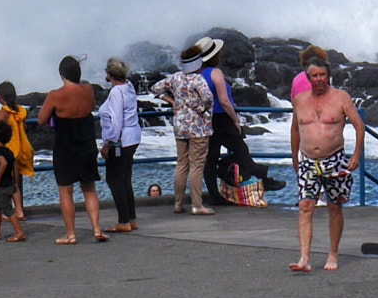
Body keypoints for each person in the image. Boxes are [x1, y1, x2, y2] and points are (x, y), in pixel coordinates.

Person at [288, 46, 365, 273]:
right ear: (308, 77)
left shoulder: (341, 98)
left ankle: (333, 253)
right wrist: (295, 159)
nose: (319, 79)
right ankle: (304, 258)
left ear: (328, 76)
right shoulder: (300, 100)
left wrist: (357, 154)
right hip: (308, 161)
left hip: (335, 159)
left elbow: (359, 126)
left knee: (334, 207)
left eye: (322, 75)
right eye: (315, 76)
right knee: (305, 206)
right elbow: (295, 130)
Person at [191, 37, 286, 205]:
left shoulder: (197, 75)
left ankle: (215, 195)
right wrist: (235, 120)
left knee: (210, 158)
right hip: (222, 119)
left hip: (205, 120)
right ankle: (263, 179)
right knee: (241, 150)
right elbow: (224, 101)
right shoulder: (215, 73)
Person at [38, 56, 107, 245]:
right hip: (86, 143)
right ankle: (97, 229)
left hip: (65, 146)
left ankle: (71, 234)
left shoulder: (55, 95)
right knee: (89, 188)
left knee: (66, 191)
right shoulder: (88, 90)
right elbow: (91, 107)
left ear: (61, 74)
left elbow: (42, 119)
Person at [153, 49, 216, 216]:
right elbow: (208, 98)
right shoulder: (198, 79)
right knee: (197, 166)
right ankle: (197, 205)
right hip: (198, 127)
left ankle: (178, 203)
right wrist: (202, 109)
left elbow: (156, 89)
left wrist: (172, 102)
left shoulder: (176, 77)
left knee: (181, 164)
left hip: (180, 125)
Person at [98, 57, 142, 233]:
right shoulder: (129, 86)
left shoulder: (116, 93)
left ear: (109, 75)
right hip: (132, 138)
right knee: (125, 178)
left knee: (114, 178)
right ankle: (131, 218)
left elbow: (116, 122)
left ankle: (123, 221)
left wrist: (108, 143)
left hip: (119, 142)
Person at [0, 82, 35, 223]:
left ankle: (6, 212)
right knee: (15, 184)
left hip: (8, 151)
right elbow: (25, 128)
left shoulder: (4, 111)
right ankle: (19, 210)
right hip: (21, 150)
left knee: (5, 184)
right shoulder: (21, 111)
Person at [0, 121, 26, 242]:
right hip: (9, 184)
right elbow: (15, 166)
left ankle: (19, 232)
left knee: (7, 209)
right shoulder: (9, 151)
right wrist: (15, 182)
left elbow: (3, 163)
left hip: (1, 185)